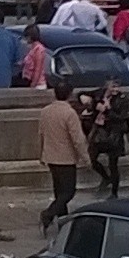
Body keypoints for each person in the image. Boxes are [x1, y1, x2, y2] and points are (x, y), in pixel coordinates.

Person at [38, 79, 91, 229]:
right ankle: (48, 214)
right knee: (68, 192)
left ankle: (62, 221)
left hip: (50, 156)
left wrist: (41, 154)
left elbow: (41, 134)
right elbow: (78, 139)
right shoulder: (69, 113)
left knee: (59, 191)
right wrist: (86, 158)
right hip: (65, 158)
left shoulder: (45, 111)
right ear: (69, 94)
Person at [82, 81, 128, 195]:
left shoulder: (122, 99)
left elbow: (121, 117)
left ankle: (114, 192)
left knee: (113, 164)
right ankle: (106, 177)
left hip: (114, 134)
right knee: (91, 158)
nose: (115, 90)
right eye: (113, 86)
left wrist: (107, 111)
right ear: (107, 86)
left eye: (117, 87)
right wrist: (91, 102)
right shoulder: (99, 93)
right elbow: (83, 94)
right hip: (100, 132)